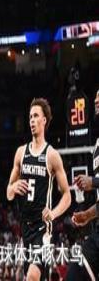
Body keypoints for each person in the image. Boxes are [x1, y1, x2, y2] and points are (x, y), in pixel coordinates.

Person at [7, 98, 71, 281]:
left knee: (33, 276)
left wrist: (53, 213)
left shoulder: (52, 155)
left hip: (43, 227)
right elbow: (8, 193)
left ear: (44, 120)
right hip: (25, 227)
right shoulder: (21, 153)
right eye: (30, 117)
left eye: (36, 116)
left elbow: (67, 195)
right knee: (34, 276)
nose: (32, 121)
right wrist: (13, 187)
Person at [67, 89, 99, 280]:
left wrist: (93, 182)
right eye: (95, 98)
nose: (96, 101)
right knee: (74, 273)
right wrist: (88, 214)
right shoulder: (97, 146)